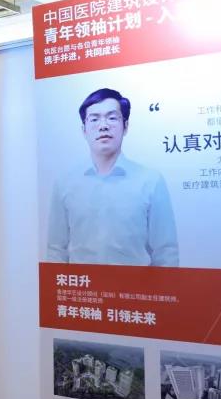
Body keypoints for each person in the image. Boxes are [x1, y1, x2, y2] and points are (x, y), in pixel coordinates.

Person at [46, 88, 179, 266]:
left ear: (126, 126)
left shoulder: (150, 181)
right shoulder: (65, 183)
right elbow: (56, 249)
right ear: (84, 130)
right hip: (84, 283)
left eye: (112, 117)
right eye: (94, 119)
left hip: (136, 284)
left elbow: (165, 251)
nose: (103, 126)